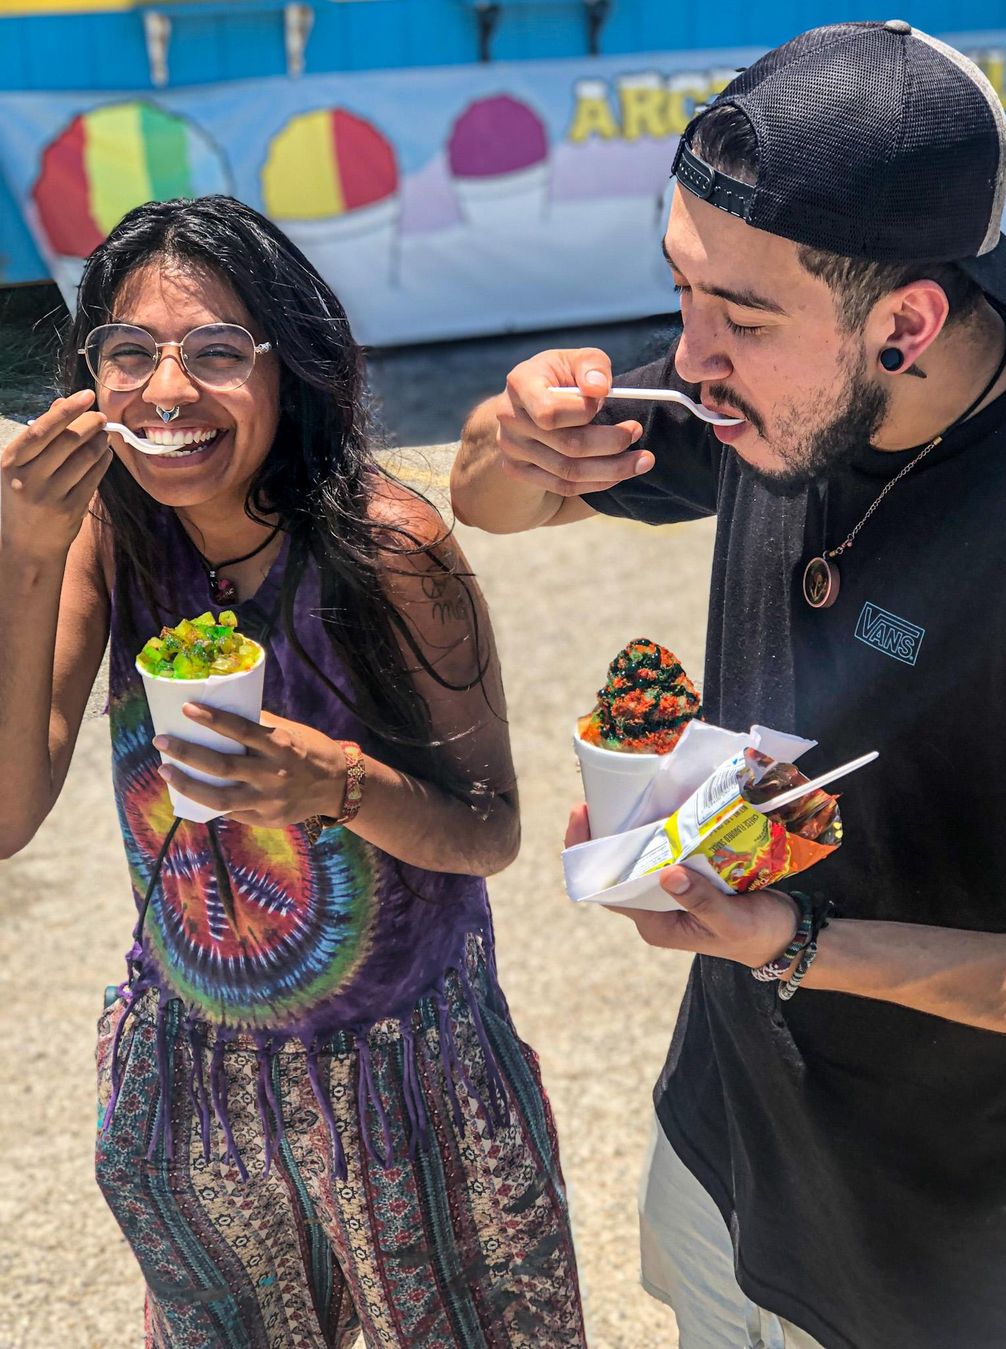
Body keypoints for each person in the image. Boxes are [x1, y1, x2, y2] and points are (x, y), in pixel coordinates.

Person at [450, 22, 1006, 1349]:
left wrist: (806, 945)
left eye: (741, 316)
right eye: (684, 290)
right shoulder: (763, 385)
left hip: (948, 1254)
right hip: (725, 1147)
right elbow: (495, 506)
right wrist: (512, 426)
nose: (689, 356)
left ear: (907, 322)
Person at [0, 195, 586, 1348]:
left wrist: (339, 786)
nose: (168, 393)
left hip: (411, 1082)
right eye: (130, 354)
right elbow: (8, 814)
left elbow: (491, 830)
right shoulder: (107, 531)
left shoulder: (389, 547)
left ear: (291, 369)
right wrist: (23, 548)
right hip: (196, 1078)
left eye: (217, 352)